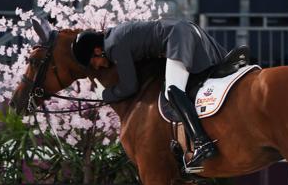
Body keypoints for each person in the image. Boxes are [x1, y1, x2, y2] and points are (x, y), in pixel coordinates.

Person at [71, 18, 227, 173]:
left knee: (172, 90)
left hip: (178, 37)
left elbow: (129, 86)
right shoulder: (114, 35)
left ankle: (202, 142)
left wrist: (105, 94)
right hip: (190, 30)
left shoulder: (114, 46)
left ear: (97, 51)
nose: (97, 67)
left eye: (93, 62)